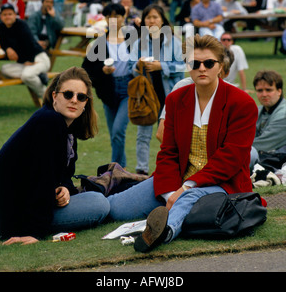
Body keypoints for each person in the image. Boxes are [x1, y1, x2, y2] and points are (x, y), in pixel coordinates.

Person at [108, 34, 258, 252]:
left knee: (191, 196)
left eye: (209, 63)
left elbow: (231, 159)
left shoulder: (242, 103)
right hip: (175, 180)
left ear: (220, 66)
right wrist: (171, 194)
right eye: (194, 63)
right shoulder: (175, 99)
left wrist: (187, 187)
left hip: (222, 183)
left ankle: (164, 232)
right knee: (118, 209)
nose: (201, 68)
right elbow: (168, 152)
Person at [0, 66, 110, 244]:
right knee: (99, 203)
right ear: (55, 96)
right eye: (68, 94)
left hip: (31, 206)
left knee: (101, 199)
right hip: (15, 216)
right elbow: (41, 177)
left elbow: (62, 175)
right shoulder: (48, 121)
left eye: (81, 97)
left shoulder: (67, 130)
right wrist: (35, 232)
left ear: (86, 103)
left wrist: (64, 187)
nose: (74, 100)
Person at [129, 4, 185, 175]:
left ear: (162, 20)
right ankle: (141, 171)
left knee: (169, 137)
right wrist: (138, 65)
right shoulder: (139, 42)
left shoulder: (173, 41)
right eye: (148, 17)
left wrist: (162, 66)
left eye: (155, 17)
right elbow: (132, 67)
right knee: (143, 135)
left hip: (169, 96)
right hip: (147, 96)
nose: (152, 20)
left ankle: (170, 169)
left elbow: (182, 66)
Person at [82, 3, 133, 168]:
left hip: (129, 89)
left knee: (118, 131)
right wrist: (102, 70)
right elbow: (87, 69)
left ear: (123, 18)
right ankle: (121, 168)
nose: (114, 20)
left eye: (117, 16)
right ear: (105, 19)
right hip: (108, 91)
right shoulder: (99, 43)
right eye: (110, 16)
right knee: (114, 136)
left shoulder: (133, 39)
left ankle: (113, 170)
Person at [0, 4, 51, 99]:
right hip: (25, 64)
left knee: (27, 76)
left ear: (14, 15)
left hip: (38, 58)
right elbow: (3, 43)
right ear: (1, 17)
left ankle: (47, 97)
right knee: (4, 69)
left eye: (10, 14)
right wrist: (7, 49)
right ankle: (38, 75)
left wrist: (28, 61)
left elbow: (29, 44)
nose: (7, 17)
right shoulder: (0, 27)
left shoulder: (21, 25)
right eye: (4, 14)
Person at [250, 70, 286, 169]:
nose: (264, 94)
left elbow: (265, 144)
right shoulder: (258, 110)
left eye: (269, 90)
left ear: (279, 91)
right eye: (260, 90)